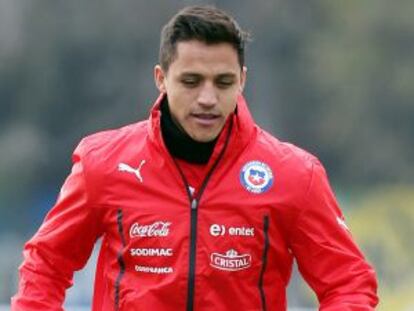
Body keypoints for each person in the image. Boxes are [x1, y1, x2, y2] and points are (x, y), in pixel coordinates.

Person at [12, 5, 378, 311]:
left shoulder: (294, 174)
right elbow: (45, 265)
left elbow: (350, 283)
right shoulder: (103, 163)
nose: (207, 98)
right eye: (191, 81)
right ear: (161, 79)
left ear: (242, 81)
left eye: (223, 82)